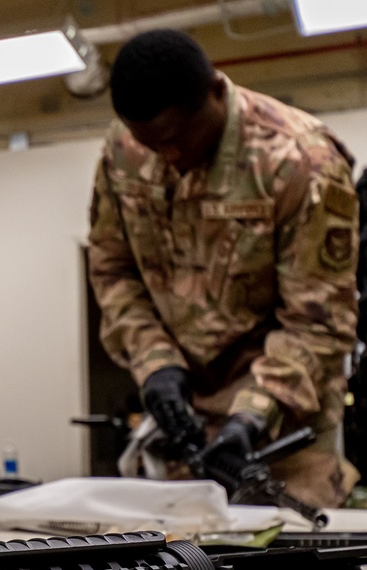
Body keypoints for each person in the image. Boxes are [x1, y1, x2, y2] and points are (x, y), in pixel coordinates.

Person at [88, 29, 360, 509]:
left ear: (215, 91)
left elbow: (318, 322)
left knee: (286, 567)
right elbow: (112, 269)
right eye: (151, 145)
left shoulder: (300, 162)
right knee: (183, 566)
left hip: (286, 419)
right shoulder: (124, 152)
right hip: (184, 418)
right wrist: (155, 366)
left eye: (176, 140)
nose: (167, 159)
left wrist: (252, 414)